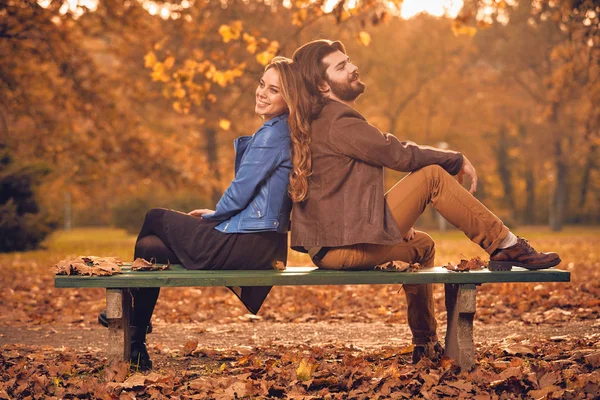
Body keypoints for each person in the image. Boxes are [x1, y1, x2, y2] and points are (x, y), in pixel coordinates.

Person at [287, 40, 560, 363]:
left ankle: (425, 344)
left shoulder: (323, 121)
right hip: (342, 246)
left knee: (423, 247)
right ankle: (505, 243)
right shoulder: (337, 121)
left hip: (334, 249)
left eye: (349, 60)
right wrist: (454, 160)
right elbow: (396, 153)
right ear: (322, 84)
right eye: (341, 66)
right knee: (431, 175)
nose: (352, 67)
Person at [100, 56, 298, 371]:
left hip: (246, 242)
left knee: (154, 216)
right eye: (262, 83)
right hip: (260, 243)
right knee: (150, 249)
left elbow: (240, 192)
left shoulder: (272, 134)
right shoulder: (281, 131)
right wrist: (218, 215)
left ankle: (132, 315)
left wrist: (213, 217)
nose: (262, 92)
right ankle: (136, 344)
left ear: (289, 99)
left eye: (273, 90)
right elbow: (253, 198)